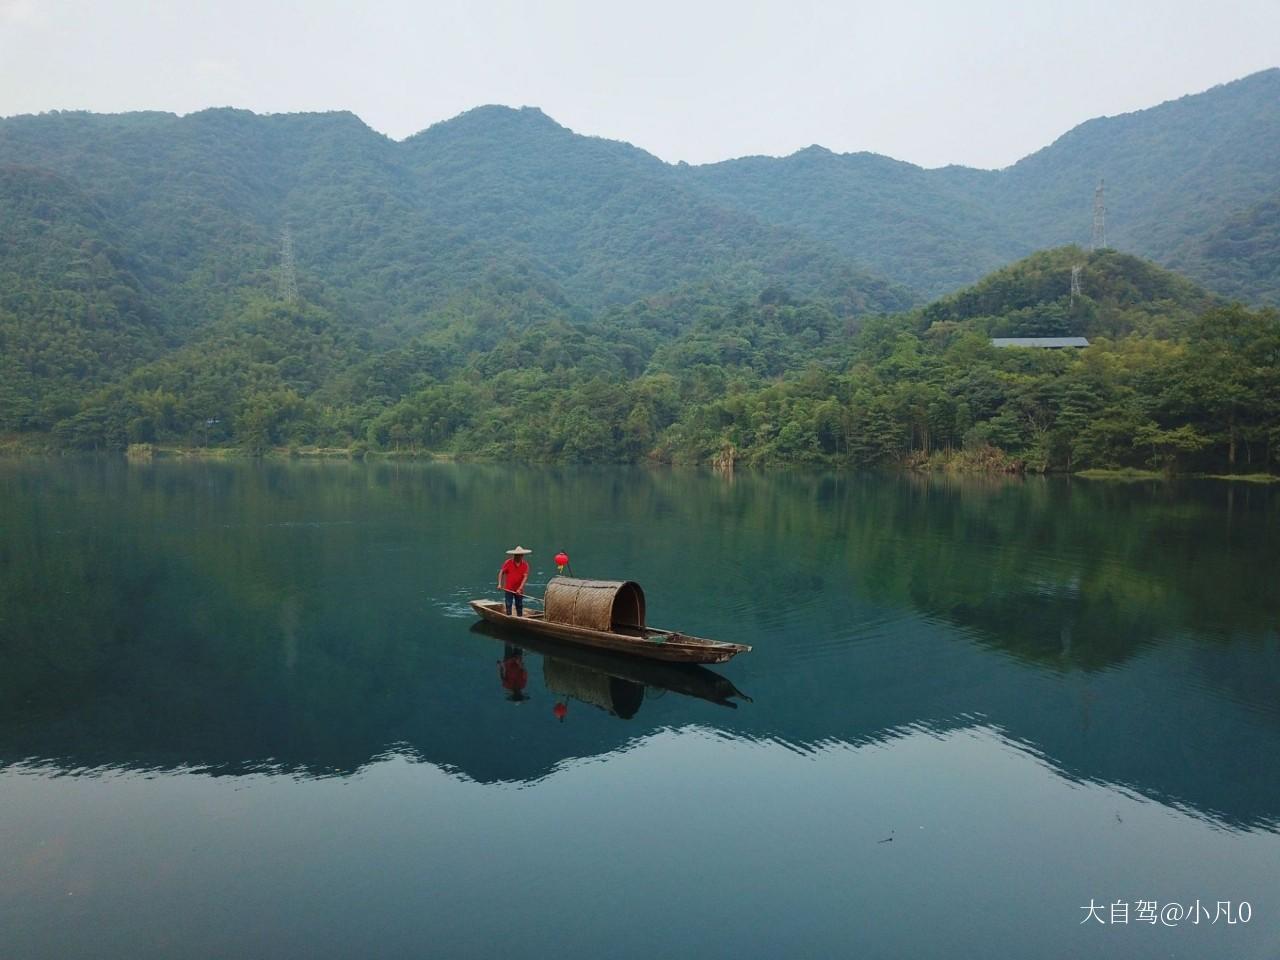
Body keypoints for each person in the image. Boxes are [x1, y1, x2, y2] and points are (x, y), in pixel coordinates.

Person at [498, 545, 532, 616]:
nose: (517, 557)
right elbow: (501, 572)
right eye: (516, 555)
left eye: (519, 555)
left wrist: (520, 588)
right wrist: (499, 584)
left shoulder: (525, 565)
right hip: (509, 589)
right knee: (508, 604)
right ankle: (509, 617)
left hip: (519, 590)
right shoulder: (508, 562)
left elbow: (525, 577)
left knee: (519, 605)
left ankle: (520, 618)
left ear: (522, 556)